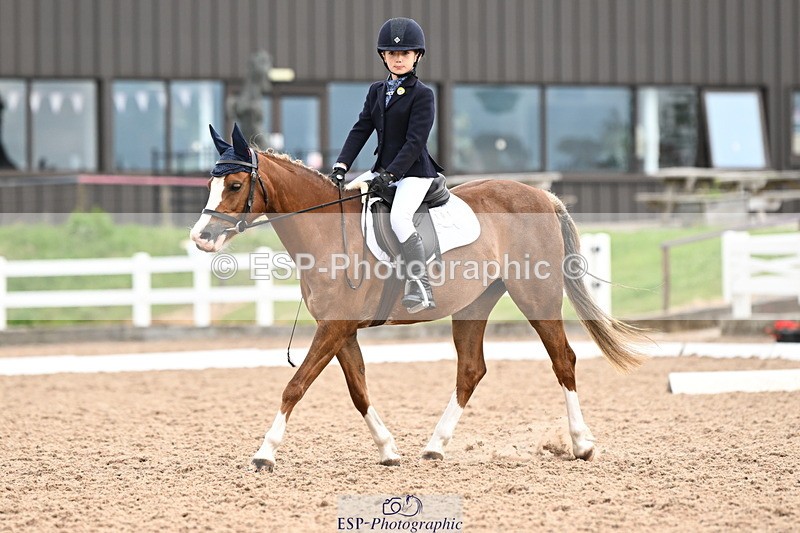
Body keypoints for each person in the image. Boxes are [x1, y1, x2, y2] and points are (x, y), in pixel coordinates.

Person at [329, 17, 443, 313]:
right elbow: (361, 128)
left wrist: (392, 173)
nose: (398, 59)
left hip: (414, 172)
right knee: (343, 201)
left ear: (417, 56)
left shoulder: (423, 95)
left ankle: (420, 285)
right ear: (383, 56)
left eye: (405, 54)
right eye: (392, 54)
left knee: (399, 219)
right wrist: (342, 164)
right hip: (382, 171)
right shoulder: (377, 91)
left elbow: (415, 142)